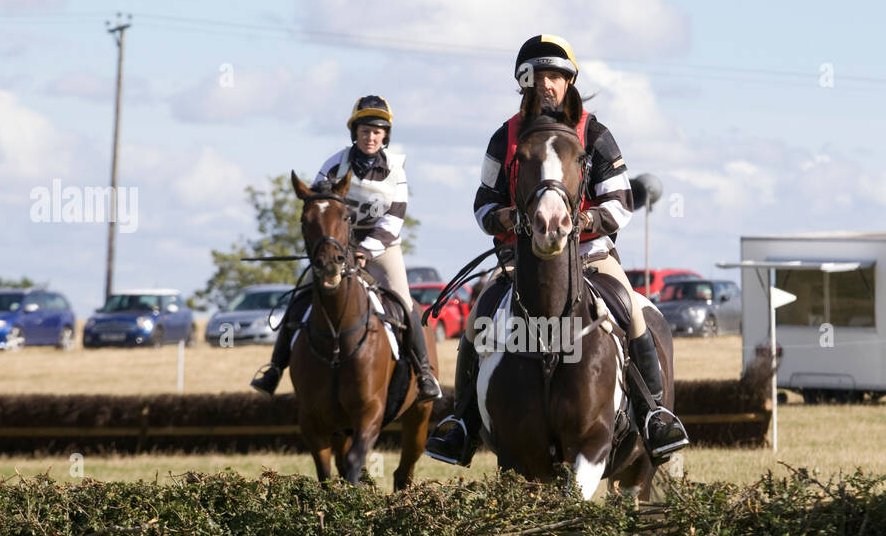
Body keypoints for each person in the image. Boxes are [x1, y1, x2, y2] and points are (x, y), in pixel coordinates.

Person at [424, 34, 690, 466]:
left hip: (591, 256)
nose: (548, 84)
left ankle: (654, 414)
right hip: (519, 261)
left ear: (569, 83)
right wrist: (506, 218)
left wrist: (585, 220)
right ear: (525, 83)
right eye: (540, 77)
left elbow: (621, 202)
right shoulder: (503, 137)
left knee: (634, 312)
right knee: (479, 318)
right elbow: (483, 202)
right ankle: (463, 423)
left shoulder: (596, 133)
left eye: (557, 76)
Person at [250, 95, 440, 401]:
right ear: (355, 133)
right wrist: (332, 246)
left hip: (382, 248)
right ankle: (274, 368)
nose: (371, 137)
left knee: (405, 304)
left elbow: (394, 218)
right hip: (338, 247)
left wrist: (366, 250)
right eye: (365, 130)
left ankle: (426, 373)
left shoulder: (395, 170)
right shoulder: (334, 164)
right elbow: (316, 205)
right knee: (300, 299)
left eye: (377, 131)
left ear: (385, 136)